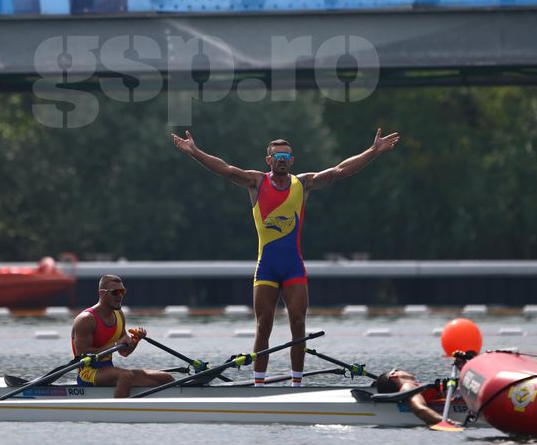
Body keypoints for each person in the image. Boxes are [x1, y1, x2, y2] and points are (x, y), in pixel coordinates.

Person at [170, 129, 400, 386]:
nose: (282, 159)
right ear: (268, 159)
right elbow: (225, 169)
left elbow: (339, 171)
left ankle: (296, 384)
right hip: (266, 267)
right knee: (264, 324)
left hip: (293, 268)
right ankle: (258, 384)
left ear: (292, 160)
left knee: (298, 324)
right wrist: (194, 152)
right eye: (277, 155)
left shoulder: (302, 183)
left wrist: (373, 151)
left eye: (286, 156)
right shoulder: (256, 182)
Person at [70, 274, 174, 397]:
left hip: (108, 369)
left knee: (165, 378)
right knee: (125, 375)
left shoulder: (119, 315)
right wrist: (115, 344)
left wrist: (135, 340)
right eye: (115, 292)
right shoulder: (86, 319)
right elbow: (82, 353)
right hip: (88, 372)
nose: (120, 296)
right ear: (102, 293)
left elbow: (124, 352)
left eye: (122, 291)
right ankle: (119, 412)